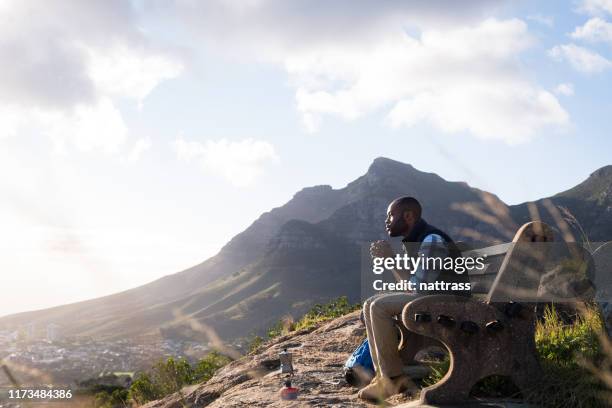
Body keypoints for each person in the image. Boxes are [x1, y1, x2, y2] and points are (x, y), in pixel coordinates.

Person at [358, 196, 468, 401]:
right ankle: (384, 376)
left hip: (450, 303)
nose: (387, 220)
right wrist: (390, 261)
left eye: (391, 215)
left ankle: (391, 380)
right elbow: (412, 285)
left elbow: (419, 288)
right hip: (434, 297)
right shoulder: (417, 240)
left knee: (378, 306)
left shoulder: (431, 239)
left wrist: (390, 259)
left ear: (408, 216)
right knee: (370, 304)